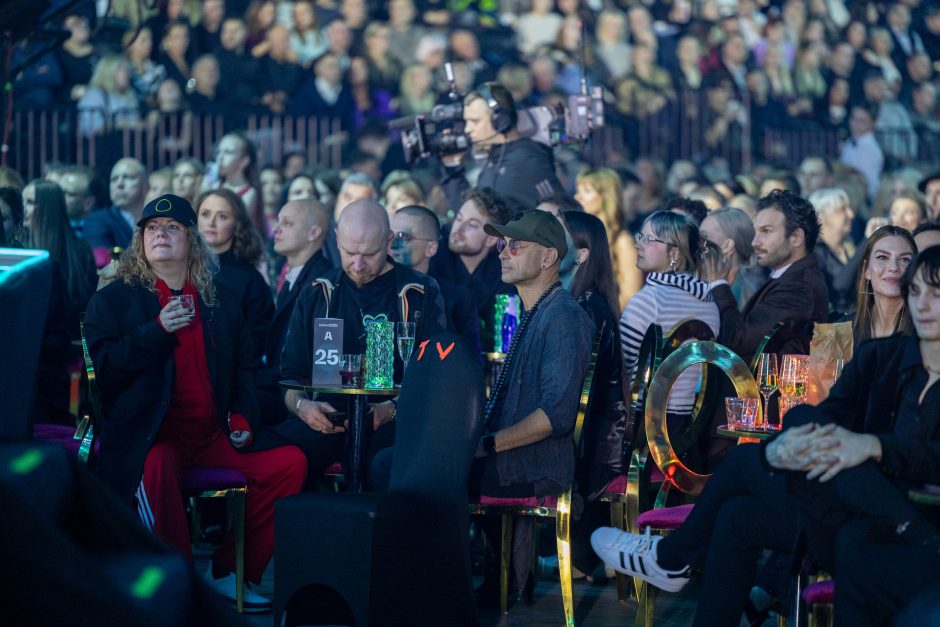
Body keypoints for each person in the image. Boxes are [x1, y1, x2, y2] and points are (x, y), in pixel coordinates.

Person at [591, 246, 940, 627]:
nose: (923, 304)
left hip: (917, 526)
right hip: (846, 511)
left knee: (745, 468)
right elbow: (822, 414)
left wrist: (874, 447)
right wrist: (795, 440)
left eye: (936, 294)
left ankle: (671, 559)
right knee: (739, 510)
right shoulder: (880, 357)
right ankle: (677, 566)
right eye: (917, 291)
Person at [82, 193, 307, 611]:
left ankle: (227, 572)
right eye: (151, 229)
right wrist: (156, 331)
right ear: (140, 241)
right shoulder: (114, 299)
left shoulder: (219, 299)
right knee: (157, 466)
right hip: (149, 436)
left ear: (191, 241)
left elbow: (246, 370)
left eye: (171, 228)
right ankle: (177, 584)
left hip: (209, 434)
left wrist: (242, 415)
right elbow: (104, 370)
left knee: (290, 463)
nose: (160, 235)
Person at [278, 199, 446, 485]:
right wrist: (303, 407)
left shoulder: (419, 292)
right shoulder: (318, 292)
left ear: (389, 241)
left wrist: (390, 409)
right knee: (279, 458)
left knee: (387, 466)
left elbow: (439, 378)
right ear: (337, 240)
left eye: (369, 254)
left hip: (395, 423)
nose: (358, 265)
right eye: (349, 253)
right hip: (324, 421)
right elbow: (288, 376)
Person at [470, 210, 593, 596]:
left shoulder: (563, 317)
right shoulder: (536, 311)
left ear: (548, 258)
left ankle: (444, 595)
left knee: (430, 476)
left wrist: (486, 444)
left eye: (516, 245)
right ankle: (501, 584)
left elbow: (554, 416)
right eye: (503, 245)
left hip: (537, 465)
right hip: (519, 458)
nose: (503, 252)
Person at [562, 210, 627, 579]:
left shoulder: (585, 307)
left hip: (595, 445)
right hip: (599, 435)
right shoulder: (589, 300)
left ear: (582, 254)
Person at [704, 189, 830, 363]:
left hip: (764, 389)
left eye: (766, 231)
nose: (755, 242)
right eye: (756, 232)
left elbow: (737, 341)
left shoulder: (799, 286)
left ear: (796, 237)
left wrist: (719, 283)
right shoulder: (788, 276)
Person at [620, 211, 720, 424]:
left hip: (643, 424)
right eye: (640, 236)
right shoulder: (710, 303)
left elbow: (621, 370)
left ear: (674, 254)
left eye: (649, 239)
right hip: (689, 425)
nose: (638, 245)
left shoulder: (650, 300)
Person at [258, 198, 333, 425]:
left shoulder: (321, 283)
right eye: (278, 221)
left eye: (288, 223)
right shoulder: (293, 274)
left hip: (300, 393)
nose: (276, 229)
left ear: (313, 232)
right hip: (280, 384)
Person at [441, 82, 563, 212]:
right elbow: (472, 216)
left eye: (475, 121)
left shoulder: (528, 162)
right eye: (466, 121)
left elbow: (560, 212)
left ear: (500, 121)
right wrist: (452, 166)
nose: (467, 129)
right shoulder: (495, 161)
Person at [429, 187, 515, 352]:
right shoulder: (434, 262)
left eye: (472, 225)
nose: (458, 229)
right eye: (459, 219)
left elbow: (503, 336)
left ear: (491, 239)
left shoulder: (504, 275)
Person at [196, 189, 273, 361]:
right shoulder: (180, 269)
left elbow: (258, 339)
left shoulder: (250, 279)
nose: (211, 223)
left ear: (237, 224)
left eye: (222, 216)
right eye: (205, 214)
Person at [390, 204, 480, 352]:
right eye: (390, 235)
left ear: (431, 248)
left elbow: (469, 362)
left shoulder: (458, 299)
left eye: (403, 236)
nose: (392, 244)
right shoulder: (375, 287)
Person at [575, 168, 643, 309]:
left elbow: (630, 296)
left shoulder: (622, 240)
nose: (578, 197)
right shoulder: (582, 235)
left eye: (586, 191)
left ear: (606, 196)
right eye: (578, 191)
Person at [846, 225, 915, 343]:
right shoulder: (836, 331)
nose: (893, 267)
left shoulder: (928, 331)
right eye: (882, 257)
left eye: (904, 259)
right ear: (866, 270)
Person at [698, 208, 767, 309]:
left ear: (728, 246)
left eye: (704, 237)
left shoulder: (735, 291)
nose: (697, 243)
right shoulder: (751, 287)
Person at [810, 188, 859, 312]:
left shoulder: (850, 247)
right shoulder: (812, 252)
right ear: (820, 216)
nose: (851, 214)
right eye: (842, 209)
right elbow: (837, 288)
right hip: (830, 328)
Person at [83, 158, 147, 250]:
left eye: (128, 177)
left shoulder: (157, 218)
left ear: (145, 184)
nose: (119, 184)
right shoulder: (96, 221)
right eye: (114, 179)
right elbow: (104, 261)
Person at [58, 166, 97, 237]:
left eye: (69, 194)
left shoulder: (101, 230)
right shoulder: (52, 226)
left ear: (88, 203)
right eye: (59, 192)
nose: (60, 197)